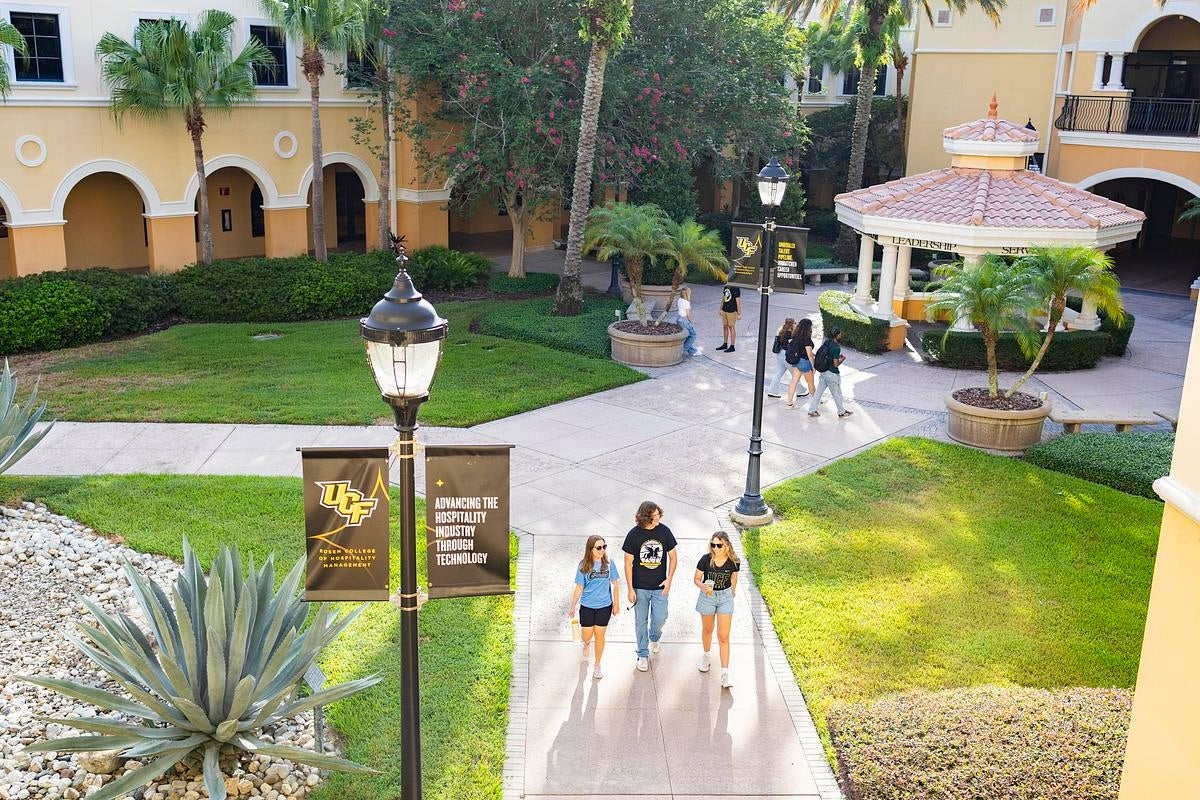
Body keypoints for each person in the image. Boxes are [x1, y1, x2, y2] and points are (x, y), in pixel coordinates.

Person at [622, 500, 678, 672]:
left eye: (659, 514)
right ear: (645, 517)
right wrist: (630, 589)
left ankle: (654, 636)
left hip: (660, 587)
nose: (658, 517)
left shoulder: (664, 531)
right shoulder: (633, 535)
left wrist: (669, 579)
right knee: (641, 621)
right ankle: (642, 653)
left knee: (660, 618)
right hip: (640, 587)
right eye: (655, 516)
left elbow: (673, 557)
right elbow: (627, 563)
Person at [569, 535, 621, 680]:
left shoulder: (609, 563)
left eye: (604, 547)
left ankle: (597, 664)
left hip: (604, 606)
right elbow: (579, 587)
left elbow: (615, 585)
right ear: (591, 549)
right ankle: (586, 643)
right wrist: (573, 606)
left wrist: (616, 604)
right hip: (587, 606)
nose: (602, 550)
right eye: (598, 547)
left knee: (600, 635)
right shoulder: (583, 565)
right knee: (586, 635)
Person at [695, 530, 740, 688]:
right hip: (708, 597)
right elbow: (696, 579)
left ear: (726, 545)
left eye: (719, 545)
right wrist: (703, 586)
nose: (715, 548)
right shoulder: (705, 560)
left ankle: (725, 674)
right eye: (713, 545)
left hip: (725, 598)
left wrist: (733, 590)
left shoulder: (734, 561)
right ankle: (706, 656)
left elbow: (734, 575)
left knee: (723, 636)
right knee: (707, 629)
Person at [808, 327, 853, 418]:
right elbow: (835, 364)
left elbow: (828, 355)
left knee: (818, 393)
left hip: (824, 372)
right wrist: (842, 359)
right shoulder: (836, 347)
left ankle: (812, 410)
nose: (841, 335)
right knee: (837, 394)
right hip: (832, 374)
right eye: (840, 333)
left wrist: (836, 356)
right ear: (837, 335)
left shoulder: (827, 342)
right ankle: (841, 412)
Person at [785, 317, 817, 409]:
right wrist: (813, 366)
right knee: (810, 383)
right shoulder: (807, 339)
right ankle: (817, 401)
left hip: (796, 362)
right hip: (804, 363)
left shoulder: (796, 336)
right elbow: (809, 355)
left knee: (794, 382)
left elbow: (803, 350)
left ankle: (789, 403)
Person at [766, 318, 795, 398]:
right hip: (787, 355)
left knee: (778, 373)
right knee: (795, 374)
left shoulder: (781, 331)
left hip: (780, 353)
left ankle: (772, 391)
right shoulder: (791, 334)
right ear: (792, 324)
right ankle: (801, 390)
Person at [715, 282, 741, 353]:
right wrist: (721, 308)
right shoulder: (726, 286)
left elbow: (738, 301)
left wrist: (739, 313)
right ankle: (725, 344)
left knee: (731, 327)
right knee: (725, 326)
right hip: (724, 310)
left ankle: (732, 346)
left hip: (732, 311)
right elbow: (724, 298)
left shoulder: (736, 288)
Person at [676, 286, 698, 356]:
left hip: (679, 319)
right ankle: (683, 350)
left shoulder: (679, 300)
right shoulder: (686, 302)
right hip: (684, 320)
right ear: (688, 294)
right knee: (693, 335)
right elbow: (688, 315)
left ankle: (692, 351)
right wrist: (692, 321)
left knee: (687, 335)